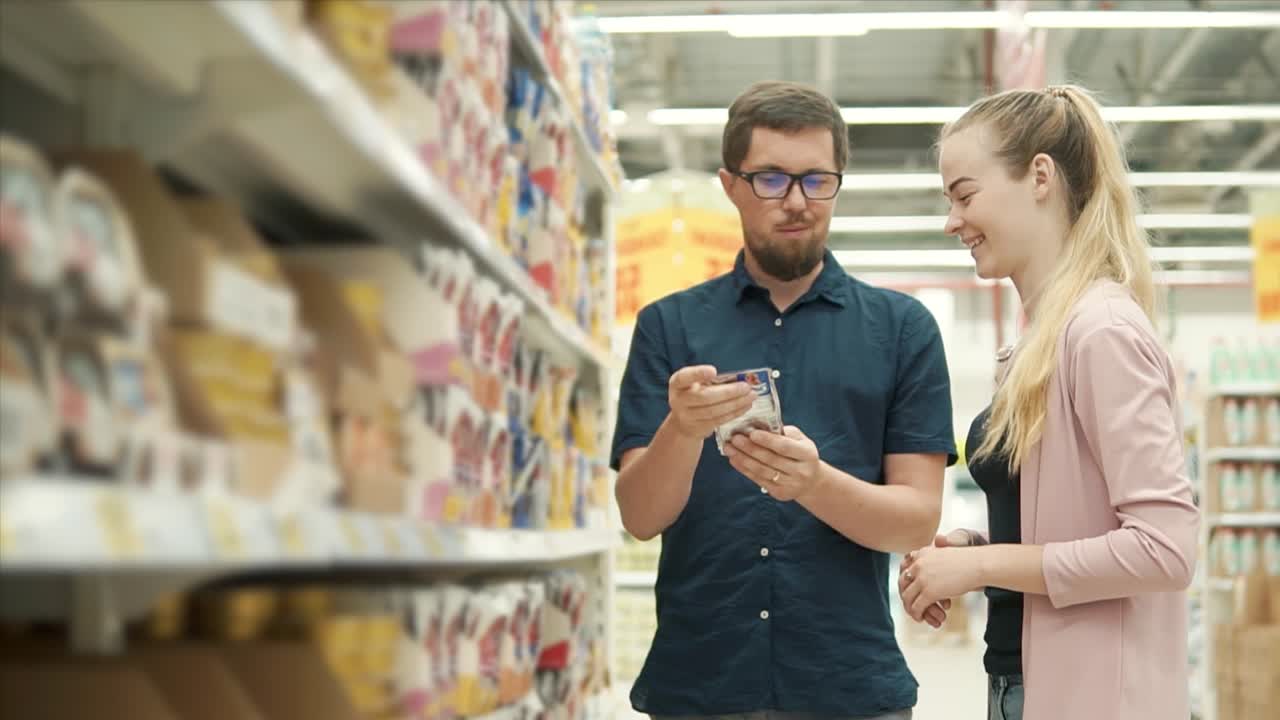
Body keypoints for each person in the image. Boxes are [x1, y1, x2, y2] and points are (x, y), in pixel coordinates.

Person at [611, 80, 957, 720]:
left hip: (850, 688)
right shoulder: (668, 327)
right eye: (770, 179)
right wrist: (682, 430)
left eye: (816, 180)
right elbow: (639, 514)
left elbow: (915, 520)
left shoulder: (903, 329)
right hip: (700, 686)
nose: (796, 201)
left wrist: (812, 482)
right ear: (730, 185)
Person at [896, 84, 1200, 720]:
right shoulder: (1042, 342)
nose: (952, 220)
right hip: (1025, 682)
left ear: (1040, 176)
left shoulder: (1102, 332)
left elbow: (1165, 548)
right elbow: (1070, 527)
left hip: (1094, 697)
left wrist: (987, 566)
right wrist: (974, 549)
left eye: (965, 195)